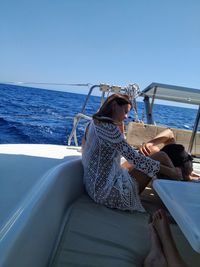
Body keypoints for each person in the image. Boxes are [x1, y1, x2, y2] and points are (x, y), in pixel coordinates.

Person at [82, 93, 182, 212]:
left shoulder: (94, 122)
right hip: (106, 192)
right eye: (125, 111)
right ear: (114, 106)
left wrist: (119, 124)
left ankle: (175, 184)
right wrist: (171, 171)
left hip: (94, 185)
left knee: (151, 153)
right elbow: (136, 160)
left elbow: (120, 148)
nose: (126, 116)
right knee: (161, 156)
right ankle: (178, 197)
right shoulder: (109, 129)